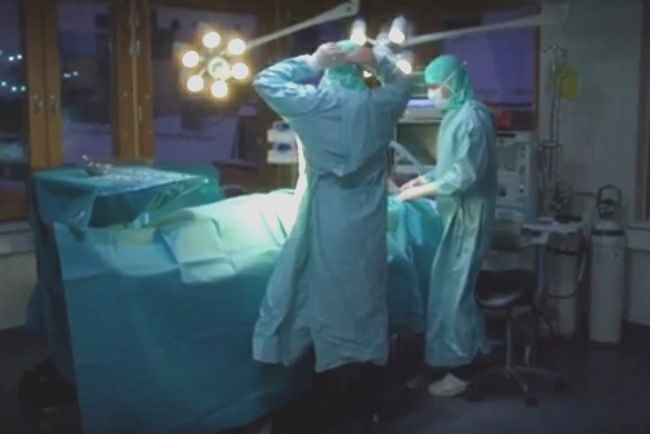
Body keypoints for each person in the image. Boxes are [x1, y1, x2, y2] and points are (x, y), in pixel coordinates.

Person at [252, 41, 412, 427]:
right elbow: (403, 85)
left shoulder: (314, 105)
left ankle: (329, 403)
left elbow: (265, 81)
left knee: (326, 306)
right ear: (359, 74)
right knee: (364, 306)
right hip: (367, 223)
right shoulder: (379, 106)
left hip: (327, 215)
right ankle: (366, 406)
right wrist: (377, 61)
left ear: (329, 74)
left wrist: (312, 61)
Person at [397, 54, 498, 397]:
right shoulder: (455, 115)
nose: (432, 93)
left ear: (452, 83)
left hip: (469, 219)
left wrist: (423, 191)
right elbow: (450, 166)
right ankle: (459, 357)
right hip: (457, 215)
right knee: (449, 293)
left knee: (455, 296)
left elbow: (466, 175)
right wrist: (422, 179)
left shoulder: (472, 118)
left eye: (436, 86)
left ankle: (462, 371)